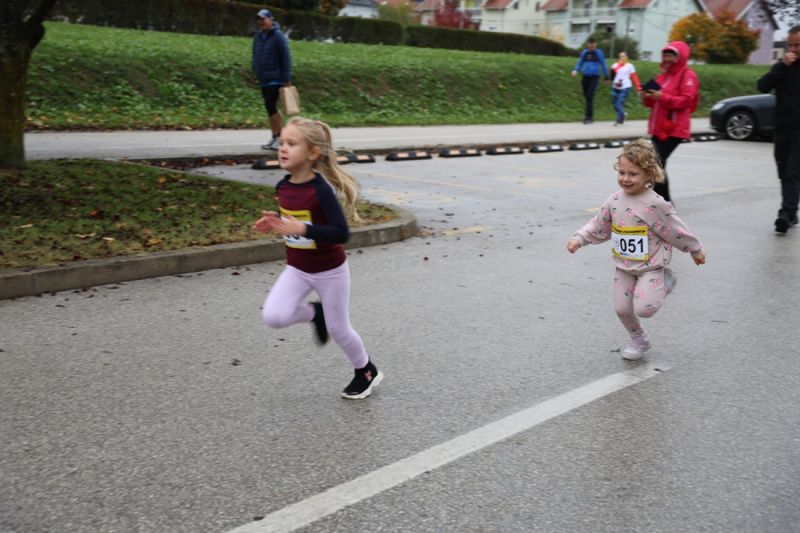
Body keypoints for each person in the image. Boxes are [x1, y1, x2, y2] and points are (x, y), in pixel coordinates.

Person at [252, 117, 383, 400]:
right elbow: (295, 222)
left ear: (312, 153)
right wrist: (275, 222)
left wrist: (304, 229)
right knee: (274, 316)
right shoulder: (283, 186)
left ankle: (366, 370)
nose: (282, 148)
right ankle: (315, 314)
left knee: (339, 330)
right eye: (281, 142)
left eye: (291, 143)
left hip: (330, 272)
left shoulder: (321, 191)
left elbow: (340, 233)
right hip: (298, 268)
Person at [566, 139, 706, 360]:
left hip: (651, 267)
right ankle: (639, 339)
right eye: (622, 172)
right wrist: (580, 238)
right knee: (622, 309)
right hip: (624, 267)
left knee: (645, 308)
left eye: (633, 174)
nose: (625, 178)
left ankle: (665, 281)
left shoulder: (655, 204)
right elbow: (599, 224)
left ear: (649, 175)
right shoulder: (614, 200)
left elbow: (674, 229)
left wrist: (695, 249)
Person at [640, 41, 700, 203]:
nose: (667, 59)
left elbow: (686, 101)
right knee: (656, 164)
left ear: (680, 57)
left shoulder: (688, 75)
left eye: (671, 55)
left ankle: (663, 202)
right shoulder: (662, 76)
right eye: (665, 55)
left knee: (655, 163)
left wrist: (662, 97)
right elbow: (651, 102)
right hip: (658, 127)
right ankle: (663, 202)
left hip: (674, 129)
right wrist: (646, 96)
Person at [757, 25, 800, 234]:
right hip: (782, 128)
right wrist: (782, 66)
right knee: (784, 172)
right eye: (790, 45)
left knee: (792, 172)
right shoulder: (782, 67)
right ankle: (792, 213)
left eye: (797, 45)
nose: (792, 49)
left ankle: (786, 213)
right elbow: (763, 86)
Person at [252, 9, 292, 151]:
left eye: (263, 19)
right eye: (259, 19)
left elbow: (286, 58)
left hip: (275, 79)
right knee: (269, 108)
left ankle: (281, 138)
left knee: (271, 106)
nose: (261, 21)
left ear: (271, 19)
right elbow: (255, 55)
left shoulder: (278, 36)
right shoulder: (258, 37)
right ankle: (275, 137)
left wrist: (286, 78)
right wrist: (255, 69)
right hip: (263, 78)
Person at [571, 38, 610, 125]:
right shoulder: (584, 53)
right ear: (588, 45)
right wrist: (575, 70)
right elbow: (580, 63)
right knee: (587, 97)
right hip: (585, 77)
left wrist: (606, 77)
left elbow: (603, 64)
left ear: (596, 44)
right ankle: (590, 115)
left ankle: (588, 117)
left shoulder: (599, 53)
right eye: (590, 44)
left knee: (590, 96)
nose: (592, 46)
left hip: (594, 78)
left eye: (593, 44)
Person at [610, 52, 641, 126]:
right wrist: (619, 66)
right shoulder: (614, 65)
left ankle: (618, 120)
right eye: (620, 56)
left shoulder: (630, 66)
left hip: (625, 87)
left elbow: (634, 77)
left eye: (624, 56)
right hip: (615, 87)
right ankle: (622, 114)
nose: (622, 58)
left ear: (627, 57)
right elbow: (612, 76)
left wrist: (638, 87)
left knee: (619, 103)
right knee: (614, 103)